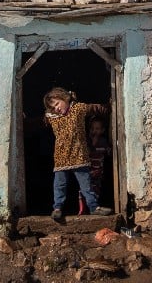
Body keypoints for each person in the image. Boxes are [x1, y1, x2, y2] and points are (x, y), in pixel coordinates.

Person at [44, 86, 111, 221]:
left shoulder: (78, 109)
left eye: (57, 103)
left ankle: (93, 207)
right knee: (60, 185)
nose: (56, 108)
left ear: (65, 98)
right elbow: (35, 123)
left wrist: (108, 107)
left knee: (86, 185)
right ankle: (57, 208)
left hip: (79, 155)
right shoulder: (52, 118)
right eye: (53, 107)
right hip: (61, 158)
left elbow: (94, 108)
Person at [86, 117, 111, 206]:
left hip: (98, 171)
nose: (94, 131)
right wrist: (93, 143)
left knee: (96, 188)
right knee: (85, 188)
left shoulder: (103, 141)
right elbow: (87, 152)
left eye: (97, 129)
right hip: (87, 170)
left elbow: (108, 152)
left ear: (102, 130)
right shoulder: (88, 141)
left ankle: (94, 206)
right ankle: (83, 208)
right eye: (92, 129)